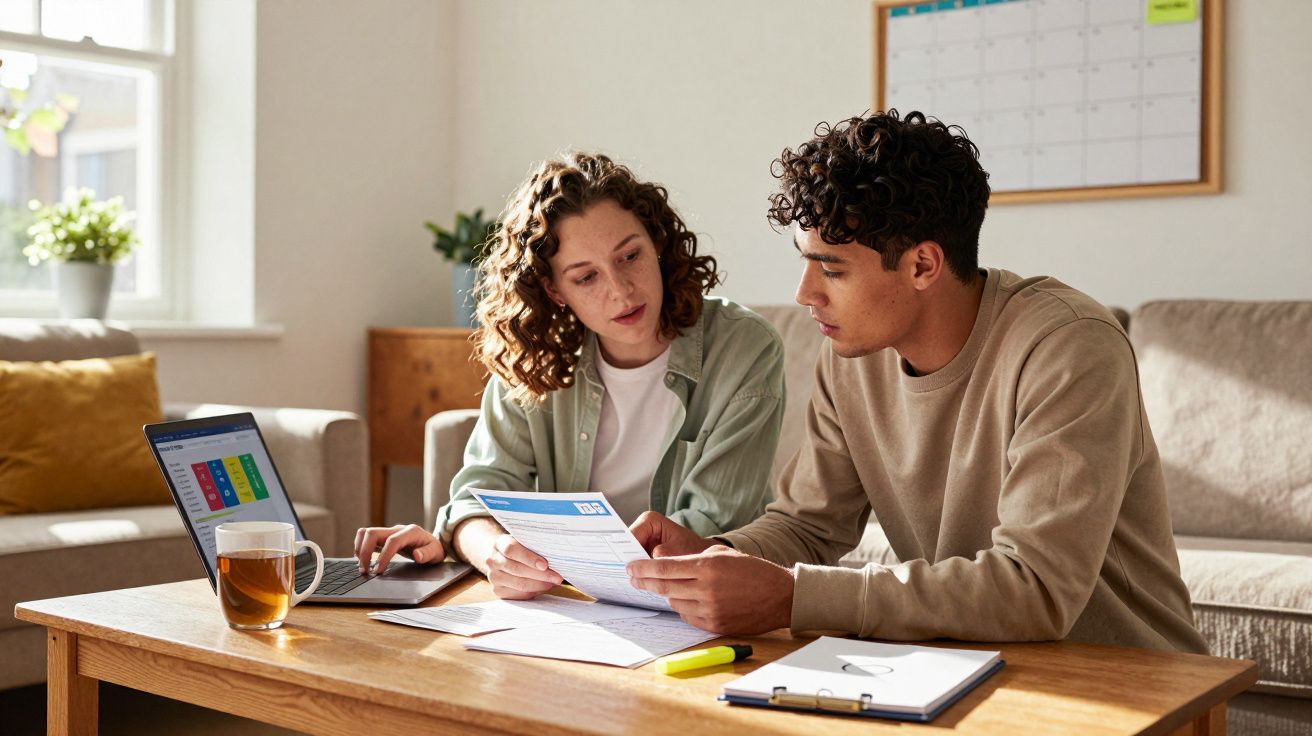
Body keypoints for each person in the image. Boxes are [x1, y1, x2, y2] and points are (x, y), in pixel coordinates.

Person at [625, 111, 1208, 653]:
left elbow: (1037, 587)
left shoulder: (1069, 346)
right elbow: (807, 524)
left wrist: (792, 594)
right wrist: (714, 557)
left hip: (1123, 682)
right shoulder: (852, 352)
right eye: (805, 262)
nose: (805, 294)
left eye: (831, 268)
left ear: (924, 265)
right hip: (957, 669)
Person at [355, 151, 785, 601]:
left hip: (689, 605)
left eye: (630, 256)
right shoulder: (536, 355)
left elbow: (713, 530)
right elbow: (473, 501)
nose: (621, 291)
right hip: (568, 604)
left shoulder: (744, 349)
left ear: (656, 242)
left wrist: (560, 565)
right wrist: (494, 552)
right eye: (586, 278)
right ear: (554, 290)